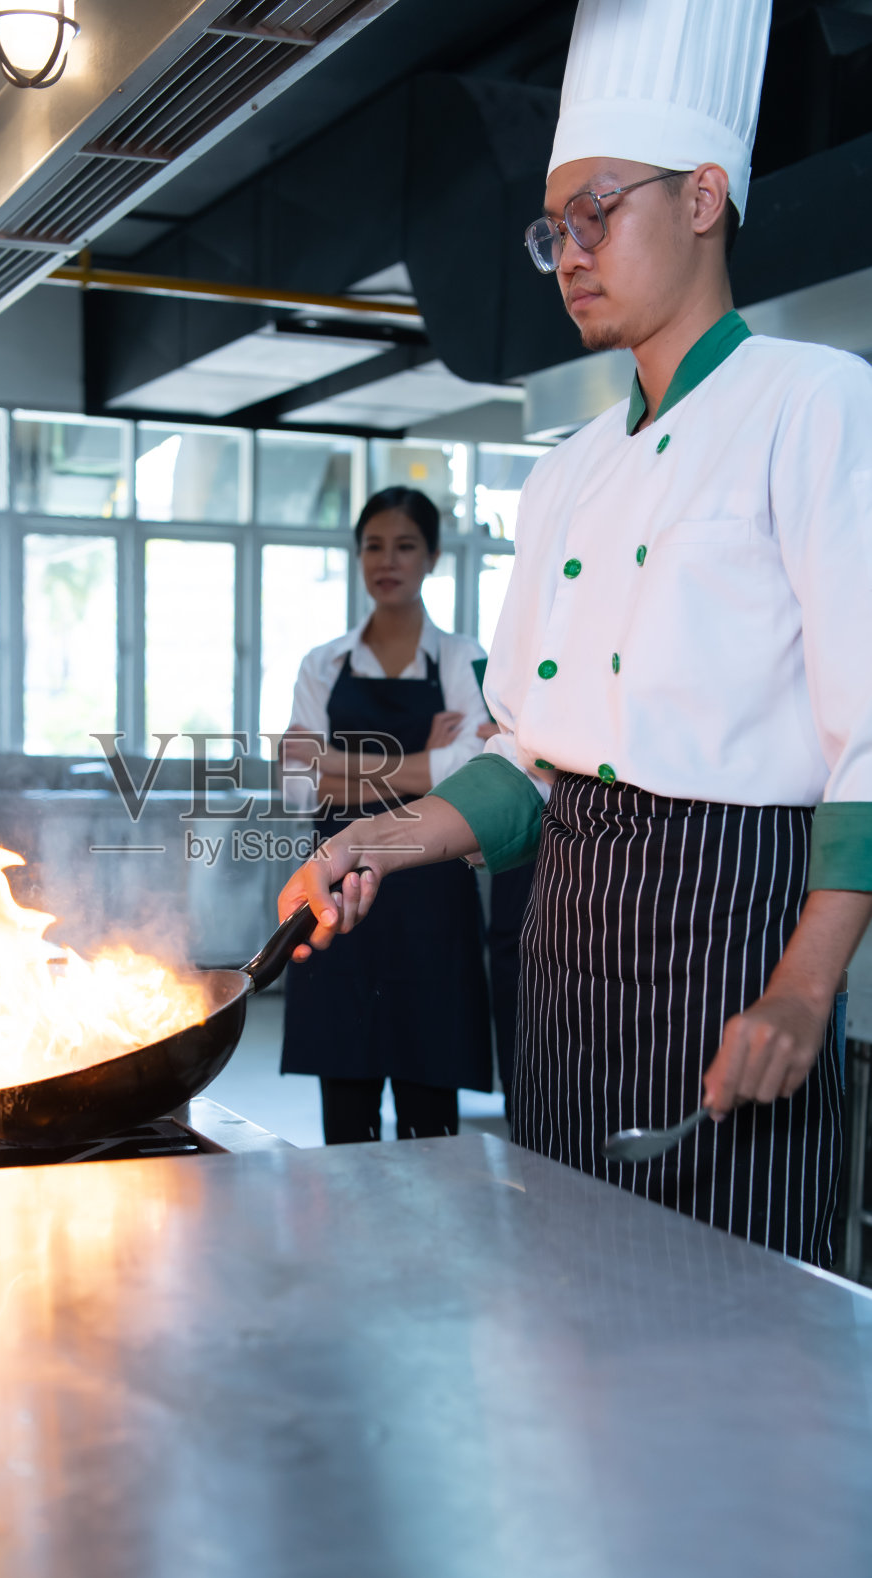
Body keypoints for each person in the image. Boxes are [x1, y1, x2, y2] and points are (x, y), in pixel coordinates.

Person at [275, 0, 872, 1267]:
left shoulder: (816, 405)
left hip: (733, 938)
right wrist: (382, 836)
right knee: (570, 1315)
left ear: (704, 195)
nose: (568, 254)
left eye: (599, 212)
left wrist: (806, 984)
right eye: (555, 228)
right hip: (566, 948)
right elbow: (529, 764)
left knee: (734, 1329)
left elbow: (869, 734)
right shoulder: (565, 474)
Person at [279, 486, 493, 1143]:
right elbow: (295, 786)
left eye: (405, 546)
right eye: (373, 545)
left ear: (431, 557)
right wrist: (423, 764)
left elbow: (476, 777)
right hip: (336, 900)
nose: (387, 560)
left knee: (432, 1120)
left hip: (433, 903)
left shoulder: (463, 659)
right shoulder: (322, 664)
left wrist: (339, 765)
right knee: (344, 1114)